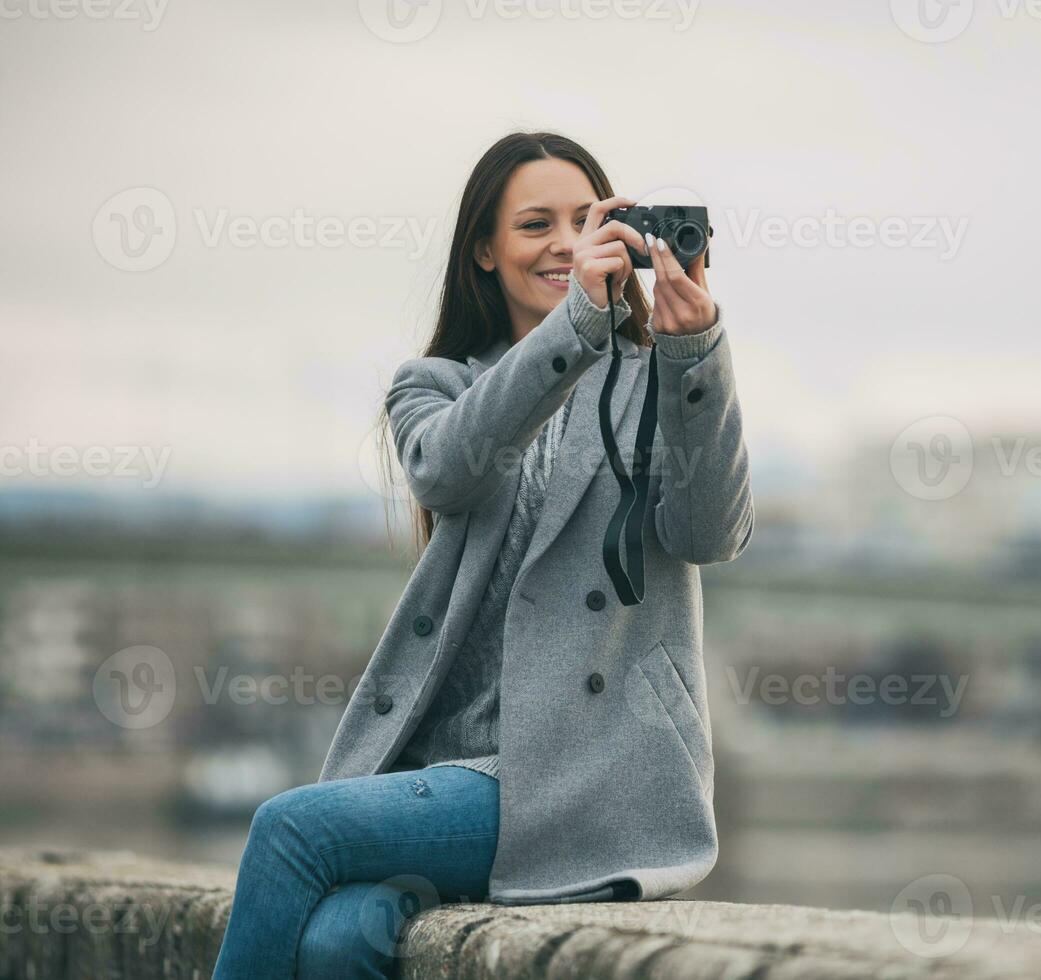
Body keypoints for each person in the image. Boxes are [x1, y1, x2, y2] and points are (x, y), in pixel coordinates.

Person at [210, 131, 754, 979]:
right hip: (446, 769)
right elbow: (450, 470)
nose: (568, 244)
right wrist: (579, 321)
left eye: (589, 219)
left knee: (291, 826)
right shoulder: (433, 386)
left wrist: (697, 352)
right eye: (537, 224)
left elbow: (709, 534)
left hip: (586, 774)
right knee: (336, 940)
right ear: (485, 250)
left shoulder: (659, 380)